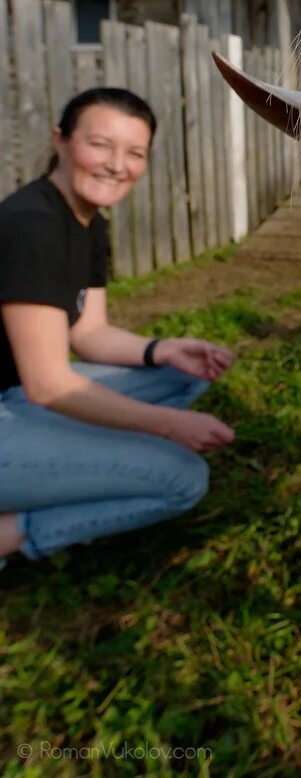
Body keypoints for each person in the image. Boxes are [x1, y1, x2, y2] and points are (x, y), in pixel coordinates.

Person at [0, 87, 235, 570]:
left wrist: (163, 349)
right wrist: (170, 425)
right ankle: (12, 532)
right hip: (21, 399)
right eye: (100, 144)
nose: (116, 165)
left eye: (134, 153)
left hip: (15, 395)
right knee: (182, 480)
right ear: (61, 141)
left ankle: (78, 461)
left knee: (184, 373)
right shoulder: (32, 226)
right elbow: (49, 385)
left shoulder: (86, 219)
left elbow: (88, 333)